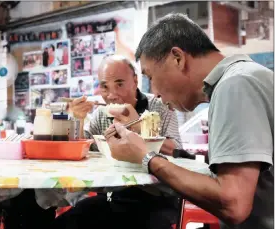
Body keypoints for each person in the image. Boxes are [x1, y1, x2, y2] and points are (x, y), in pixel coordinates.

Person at [105, 13, 273, 229]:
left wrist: (146, 158)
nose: (153, 92)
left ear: (177, 58)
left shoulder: (235, 85)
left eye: (150, 77)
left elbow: (234, 204)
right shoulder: (247, 76)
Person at [52, 55, 182, 229]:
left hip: (157, 198)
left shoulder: (160, 106)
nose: (112, 95)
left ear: (135, 81)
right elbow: (84, 148)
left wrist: (139, 126)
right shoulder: (101, 114)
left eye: (119, 84)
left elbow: (177, 151)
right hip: (113, 197)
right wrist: (79, 118)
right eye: (105, 87)